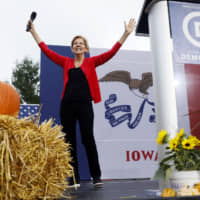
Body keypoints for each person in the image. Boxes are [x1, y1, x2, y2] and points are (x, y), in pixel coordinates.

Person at [27, 18, 136, 187]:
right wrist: (33, 31)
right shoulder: (66, 62)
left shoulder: (92, 62)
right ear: (72, 48)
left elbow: (112, 52)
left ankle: (96, 176)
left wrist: (126, 34)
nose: (78, 45)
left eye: (81, 43)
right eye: (75, 43)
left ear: (85, 48)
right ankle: (74, 178)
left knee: (88, 139)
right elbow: (46, 50)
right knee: (69, 141)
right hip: (67, 106)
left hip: (85, 105)